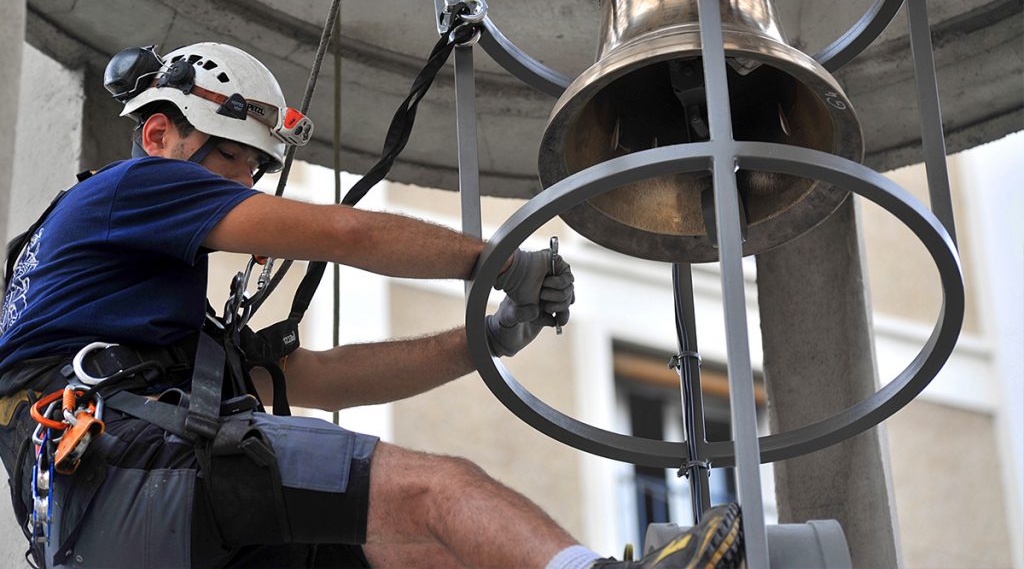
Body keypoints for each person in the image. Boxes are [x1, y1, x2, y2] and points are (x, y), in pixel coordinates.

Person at [0, 43, 743, 568]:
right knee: (438, 486)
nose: (243, 188)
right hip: (138, 469)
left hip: (106, 518)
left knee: (419, 548)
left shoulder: (128, 318)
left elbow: (313, 378)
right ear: (160, 133)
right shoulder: (134, 186)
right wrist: (498, 263)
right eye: (232, 160)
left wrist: (483, 338)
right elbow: (343, 232)